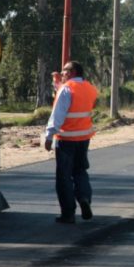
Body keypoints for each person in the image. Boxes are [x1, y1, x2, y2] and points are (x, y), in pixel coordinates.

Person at [44, 61, 98, 224]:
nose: (62, 73)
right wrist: (59, 86)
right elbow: (77, 104)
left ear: (73, 72)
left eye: (65, 70)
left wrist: (48, 136)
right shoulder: (90, 88)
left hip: (66, 139)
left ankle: (68, 214)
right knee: (80, 171)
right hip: (83, 138)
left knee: (64, 177)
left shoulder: (66, 89)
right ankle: (84, 198)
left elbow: (58, 114)